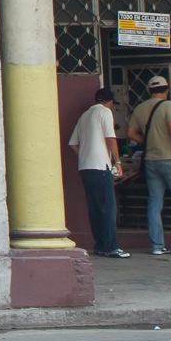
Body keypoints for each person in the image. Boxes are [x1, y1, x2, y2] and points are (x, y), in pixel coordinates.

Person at [128, 74, 171, 256]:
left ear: (149, 91)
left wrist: (147, 142)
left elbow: (130, 132)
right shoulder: (168, 105)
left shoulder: (140, 108)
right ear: (166, 91)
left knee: (154, 203)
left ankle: (157, 246)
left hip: (151, 161)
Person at [69, 86, 131, 258]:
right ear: (110, 102)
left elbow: (73, 143)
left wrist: (85, 154)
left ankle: (100, 245)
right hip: (100, 167)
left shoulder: (84, 116)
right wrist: (117, 161)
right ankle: (110, 247)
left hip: (85, 167)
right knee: (108, 208)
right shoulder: (105, 112)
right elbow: (110, 138)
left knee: (95, 208)